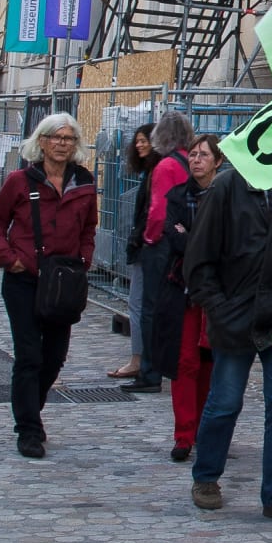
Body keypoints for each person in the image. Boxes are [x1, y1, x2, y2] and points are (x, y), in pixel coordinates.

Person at [181, 163, 272, 522]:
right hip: (234, 316)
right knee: (225, 402)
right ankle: (206, 477)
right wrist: (218, 307)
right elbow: (200, 257)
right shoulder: (227, 187)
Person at [0, 112, 98, 459]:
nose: (62, 144)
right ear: (42, 142)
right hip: (24, 278)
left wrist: (84, 260)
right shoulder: (20, 181)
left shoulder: (84, 182)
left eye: (69, 139)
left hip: (63, 281)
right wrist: (7, 256)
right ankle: (29, 428)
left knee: (54, 357)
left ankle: (32, 406)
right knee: (29, 355)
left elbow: (89, 227)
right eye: (56, 138)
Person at [153, 134, 222, 462]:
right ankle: (183, 435)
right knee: (185, 364)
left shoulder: (226, 197)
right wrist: (199, 240)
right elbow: (174, 237)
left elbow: (226, 243)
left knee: (209, 364)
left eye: (203, 155)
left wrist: (192, 236)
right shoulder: (178, 195)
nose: (196, 160)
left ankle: (204, 431)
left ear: (217, 161)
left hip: (217, 293)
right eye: (192, 154)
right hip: (183, 290)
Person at [128, 110, 193, 392]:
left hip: (162, 244)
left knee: (150, 309)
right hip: (182, 241)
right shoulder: (187, 161)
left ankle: (150, 372)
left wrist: (149, 239)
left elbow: (158, 211)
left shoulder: (165, 166)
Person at [108, 122, 155, 380]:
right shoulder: (149, 172)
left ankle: (139, 360)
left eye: (143, 140)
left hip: (148, 248)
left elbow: (153, 215)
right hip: (148, 246)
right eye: (136, 141)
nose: (138, 145)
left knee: (138, 303)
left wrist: (142, 240)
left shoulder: (156, 172)